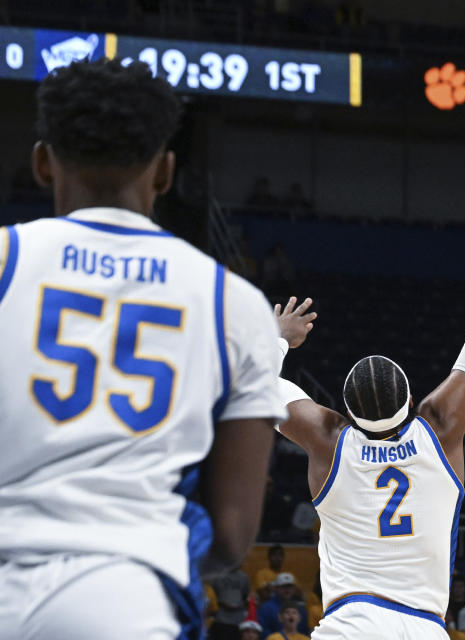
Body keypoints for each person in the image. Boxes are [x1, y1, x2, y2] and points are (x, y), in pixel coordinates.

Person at [0, 59, 285, 639]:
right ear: (165, 172)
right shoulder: (234, 303)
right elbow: (231, 537)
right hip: (126, 598)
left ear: (41, 162)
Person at [273, 155, 465, 639]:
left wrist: (279, 340)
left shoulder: (328, 439)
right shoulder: (439, 427)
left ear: (343, 413)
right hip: (423, 627)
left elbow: (253, 386)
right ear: (415, 398)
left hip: (348, 626)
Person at [258, 572, 309, 637]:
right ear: (275, 588)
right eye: (283, 587)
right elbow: (263, 630)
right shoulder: (266, 608)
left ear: (294, 589)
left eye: (289, 587)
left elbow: (304, 630)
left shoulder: (300, 609)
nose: (287, 590)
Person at [208, 567, 251, 640]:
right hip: (220, 619)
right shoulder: (216, 575)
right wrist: (220, 602)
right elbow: (210, 594)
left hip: (238, 620)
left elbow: (245, 595)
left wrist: (239, 604)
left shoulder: (244, 577)